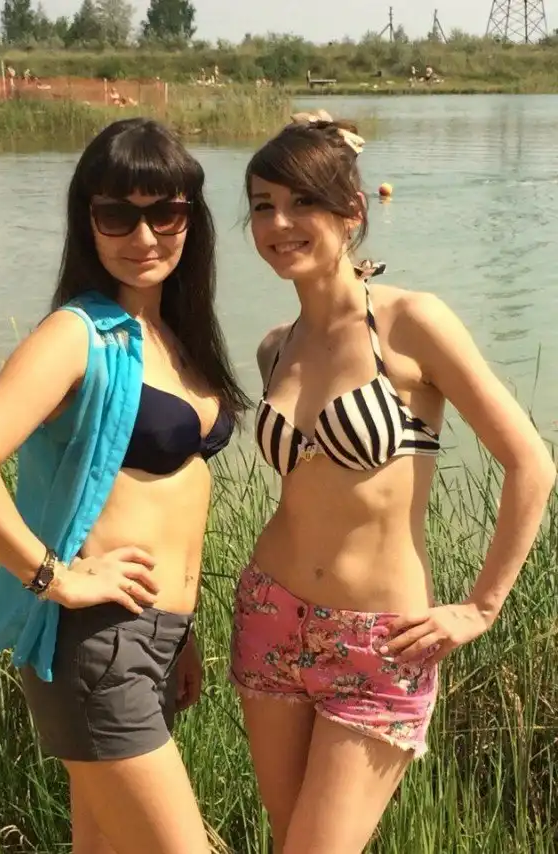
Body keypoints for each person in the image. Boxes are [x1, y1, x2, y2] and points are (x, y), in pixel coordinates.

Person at [229, 111, 555, 854]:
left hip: (380, 641)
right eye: (262, 205)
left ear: (352, 211)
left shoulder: (410, 323)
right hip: (270, 614)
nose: (280, 223)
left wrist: (481, 607)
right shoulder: (276, 346)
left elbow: (530, 462)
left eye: (302, 201)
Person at [0, 118, 249, 854]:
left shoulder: (177, 338)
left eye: (165, 213)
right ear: (87, 221)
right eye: (117, 216)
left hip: (155, 641)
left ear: (192, 220)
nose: (144, 236)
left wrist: (182, 632)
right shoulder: (77, 335)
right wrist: (57, 577)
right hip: (98, 645)